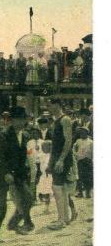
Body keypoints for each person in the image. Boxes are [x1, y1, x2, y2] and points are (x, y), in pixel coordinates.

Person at [0, 106, 33, 242]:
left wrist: (23, 175)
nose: (19, 122)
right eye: (16, 120)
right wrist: (6, 173)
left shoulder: (25, 135)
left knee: (28, 199)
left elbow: (21, 158)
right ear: (11, 121)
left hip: (16, 173)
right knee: (0, 204)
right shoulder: (4, 135)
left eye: (22, 119)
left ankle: (13, 223)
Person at [46, 98, 74, 230]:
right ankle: (65, 218)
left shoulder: (65, 119)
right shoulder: (56, 121)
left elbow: (68, 141)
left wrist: (61, 160)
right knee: (61, 188)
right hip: (57, 157)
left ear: (57, 105)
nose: (48, 108)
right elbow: (55, 145)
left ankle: (61, 219)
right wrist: (51, 162)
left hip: (63, 158)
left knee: (57, 188)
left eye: (50, 105)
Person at [73, 127, 93, 199]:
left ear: (87, 133)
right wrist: (76, 155)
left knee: (88, 177)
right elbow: (74, 149)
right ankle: (80, 192)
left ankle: (88, 192)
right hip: (80, 161)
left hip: (88, 161)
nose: (82, 134)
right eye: (80, 133)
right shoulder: (78, 141)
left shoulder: (91, 142)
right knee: (79, 177)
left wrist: (91, 159)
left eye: (83, 133)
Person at [38, 140, 53, 213]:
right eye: (42, 147)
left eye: (45, 147)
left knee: (48, 192)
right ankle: (46, 208)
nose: (43, 148)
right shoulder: (42, 155)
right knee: (45, 192)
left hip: (50, 176)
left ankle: (47, 208)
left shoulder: (52, 156)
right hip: (44, 176)